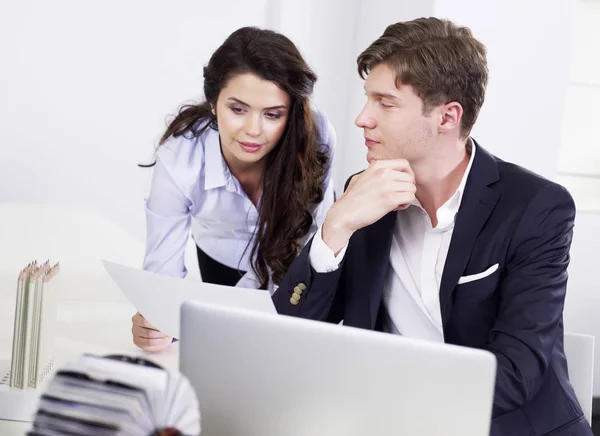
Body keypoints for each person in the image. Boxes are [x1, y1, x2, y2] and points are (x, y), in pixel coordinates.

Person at [273, 17, 591, 436]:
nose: (362, 119)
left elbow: (518, 370)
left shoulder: (535, 206)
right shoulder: (365, 193)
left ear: (447, 117)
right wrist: (336, 226)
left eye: (385, 103)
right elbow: (293, 331)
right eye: (368, 99)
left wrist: (391, 403)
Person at [133, 26, 336, 352]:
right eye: (237, 109)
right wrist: (158, 319)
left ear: (291, 115)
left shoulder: (317, 135)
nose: (253, 131)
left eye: (272, 115)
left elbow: (316, 239)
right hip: (222, 264)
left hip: (294, 263)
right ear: (213, 102)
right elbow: (161, 274)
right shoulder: (180, 157)